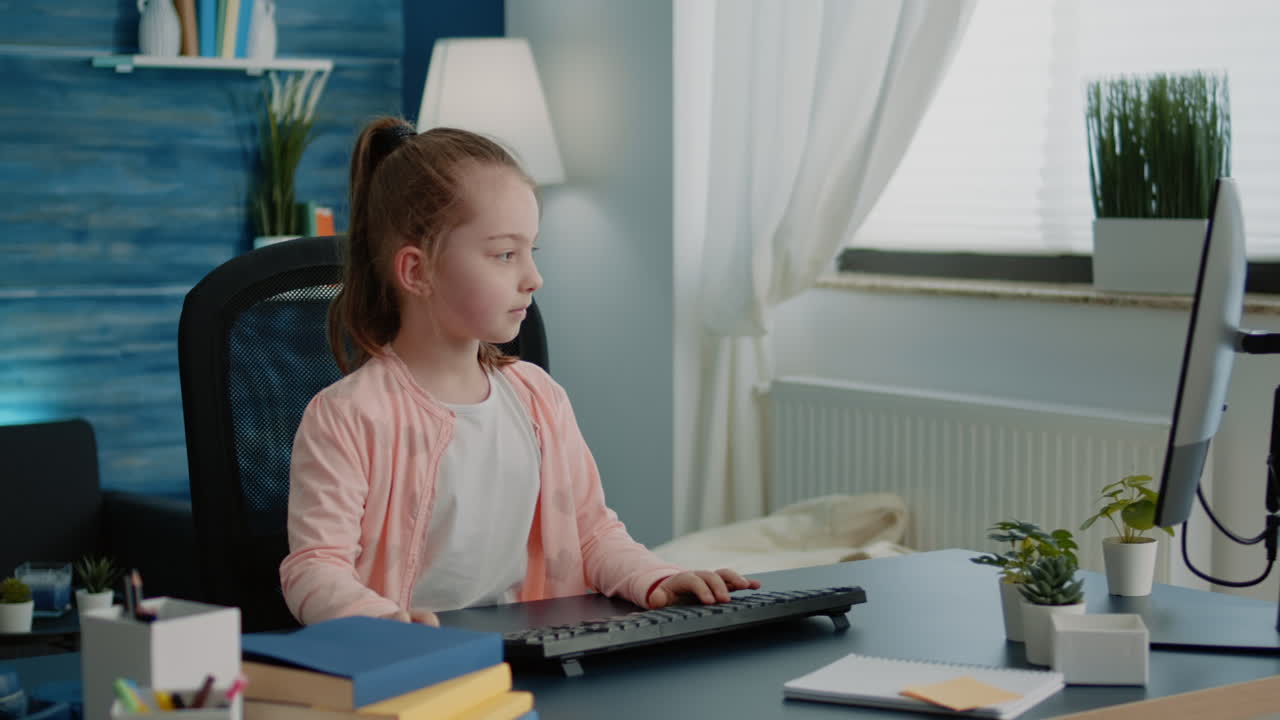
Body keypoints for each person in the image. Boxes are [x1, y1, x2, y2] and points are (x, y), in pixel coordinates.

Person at [280, 117, 760, 626]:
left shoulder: (539, 399)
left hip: (534, 652)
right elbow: (315, 567)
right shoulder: (346, 416)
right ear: (417, 271)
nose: (533, 277)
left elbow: (592, 534)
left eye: (532, 251)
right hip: (413, 662)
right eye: (506, 254)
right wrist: (376, 622)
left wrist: (657, 578)